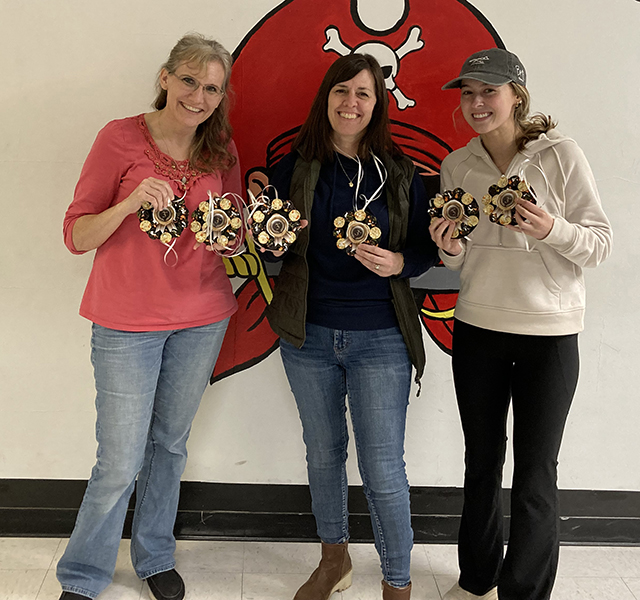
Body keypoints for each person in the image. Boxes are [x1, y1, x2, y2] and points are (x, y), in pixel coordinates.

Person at [57, 33, 241, 600]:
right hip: (125, 322)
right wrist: (129, 202)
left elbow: (234, 231)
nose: (199, 97)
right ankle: (83, 574)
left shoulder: (221, 148)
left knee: (170, 445)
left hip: (202, 316)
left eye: (212, 88)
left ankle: (155, 555)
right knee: (119, 459)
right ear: (165, 78)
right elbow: (76, 234)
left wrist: (233, 237)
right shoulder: (118, 138)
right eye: (189, 81)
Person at [429, 48, 612, 600]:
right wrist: (449, 247)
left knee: (535, 473)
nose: (477, 103)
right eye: (468, 93)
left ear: (517, 97)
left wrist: (550, 228)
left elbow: (600, 244)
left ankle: (524, 592)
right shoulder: (456, 165)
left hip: (549, 335)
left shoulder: (561, 155)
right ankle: (477, 578)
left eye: (489, 91)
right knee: (481, 462)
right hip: (479, 327)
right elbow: (458, 260)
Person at [264, 53, 439, 600]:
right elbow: (273, 243)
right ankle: (333, 559)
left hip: (381, 337)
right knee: (323, 455)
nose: (351, 102)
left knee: (383, 466)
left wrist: (401, 262)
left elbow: (429, 246)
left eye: (363, 93)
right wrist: (272, 239)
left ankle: (397, 584)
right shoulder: (295, 169)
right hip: (309, 335)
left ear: (378, 104)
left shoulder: (402, 172)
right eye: (341, 91)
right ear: (326, 98)